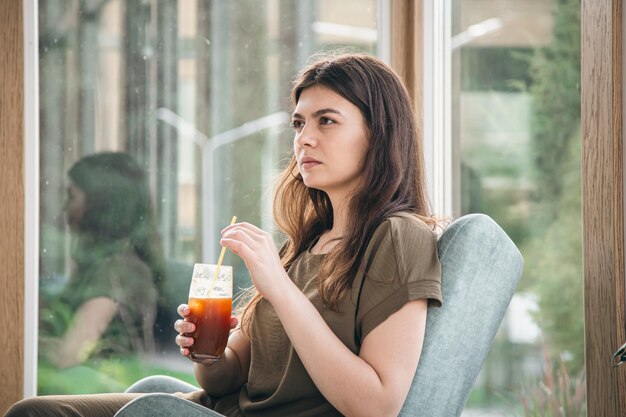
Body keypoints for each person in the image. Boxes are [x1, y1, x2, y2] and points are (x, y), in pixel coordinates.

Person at [5, 53, 442, 417]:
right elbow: (231, 375)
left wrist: (280, 289)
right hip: (220, 405)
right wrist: (206, 355)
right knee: (36, 411)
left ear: (379, 133)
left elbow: (378, 405)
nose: (304, 139)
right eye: (297, 124)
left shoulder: (399, 238)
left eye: (326, 121)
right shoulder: (307, 244)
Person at [38, 152, 164, 373]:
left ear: (100, 204)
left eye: (72, 196)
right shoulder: (107, 262)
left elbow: (70, 354)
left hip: (101, 396)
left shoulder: (117, 270)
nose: (65, 208)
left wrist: (23, 344)